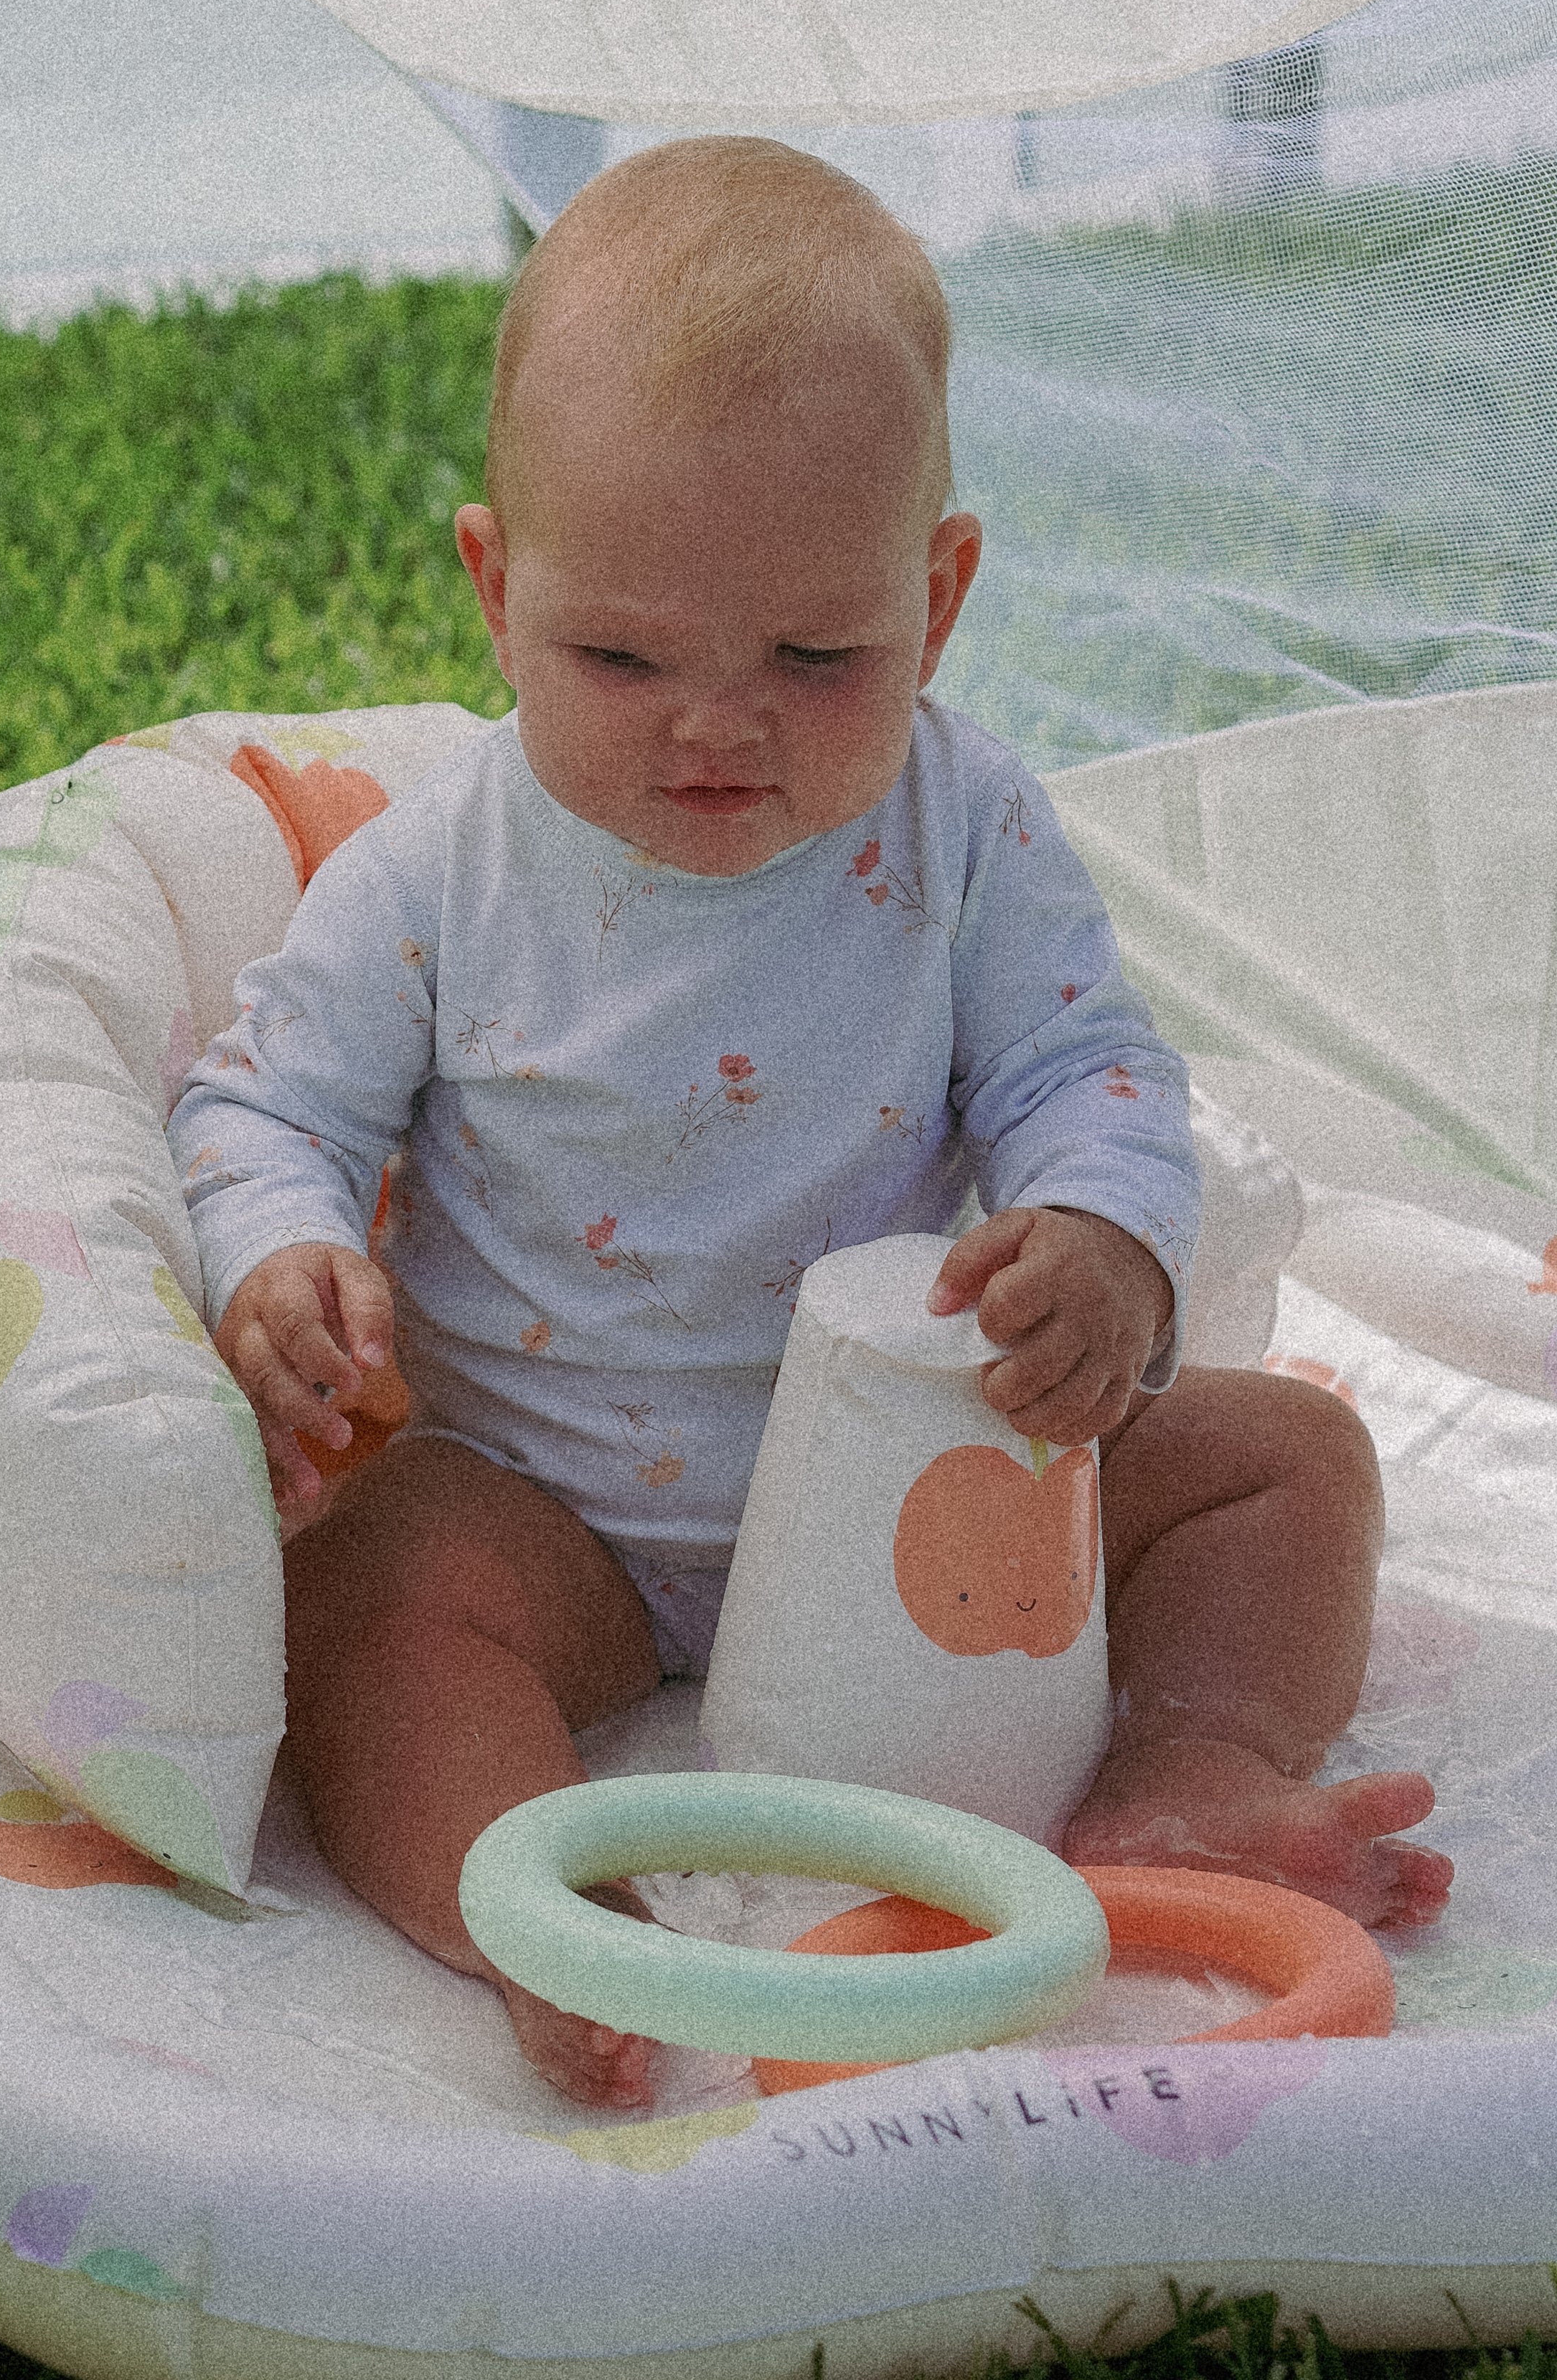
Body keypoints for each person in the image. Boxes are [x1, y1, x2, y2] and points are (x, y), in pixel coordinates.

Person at [169, 137, 1449, 2107]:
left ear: (935, 601)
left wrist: (1107, 1241)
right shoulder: (437, 876)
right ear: (498, 594)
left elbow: (1085, 1073)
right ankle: (537, 1917)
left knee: (1292, 1463)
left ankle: (1194, 1769)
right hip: (559, 1515)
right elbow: (266, 1104)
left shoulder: (971, 835)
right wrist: (284, 1256)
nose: (715, 725)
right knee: (364, 1590)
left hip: (927, 1510)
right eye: (621, 656)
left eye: (814, 656)